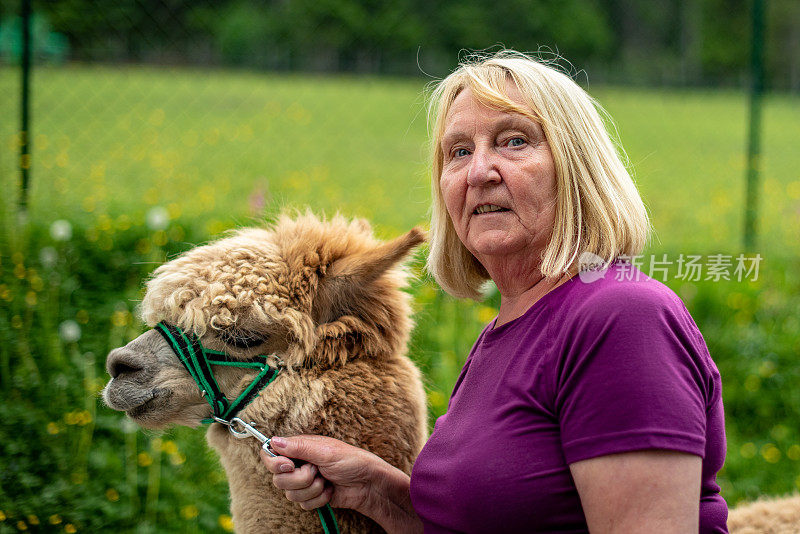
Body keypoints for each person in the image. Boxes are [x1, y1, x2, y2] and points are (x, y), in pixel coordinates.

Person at [261, 50, 728, 533]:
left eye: (514, 141)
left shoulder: (622, 316)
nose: (478, 171)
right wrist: (379, 492)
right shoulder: (507, 330)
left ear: (577, 168)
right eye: (459, 152)